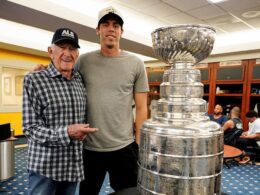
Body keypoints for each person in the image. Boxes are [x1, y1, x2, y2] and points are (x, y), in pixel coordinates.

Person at [77, 6, 149, 194]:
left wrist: (139, 145)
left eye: (116, 25)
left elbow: (141, 108)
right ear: (98, 30)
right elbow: (63, 81)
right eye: (106, 24)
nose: (111, 29)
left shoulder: (136, 63)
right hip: (90, 148)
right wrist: (43, 71)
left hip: (124, 148)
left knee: (129, 192)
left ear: (121, 32)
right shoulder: (83, 62)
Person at [22, 28, 98, 195]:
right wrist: (67, 133)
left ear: (77, 54)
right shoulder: (34, 80)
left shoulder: (80, 79)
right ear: (51, 51)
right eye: (62, 47)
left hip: (72, 166)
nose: (67, 53)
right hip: (44, 168)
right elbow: (30, 128)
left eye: (72, 49)